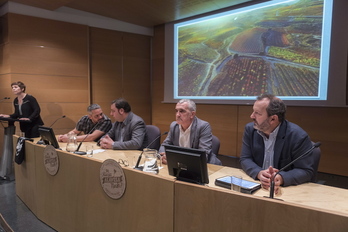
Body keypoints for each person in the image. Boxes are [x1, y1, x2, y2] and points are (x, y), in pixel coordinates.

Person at [240, 93, 316, 194]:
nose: (252, 116)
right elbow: (245, 158)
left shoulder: (298, 136)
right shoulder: (250, 130)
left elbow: (306, 171)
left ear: (273, 119)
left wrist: (281, 177)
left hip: (284, 191)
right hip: (256, 186)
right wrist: (259, 173)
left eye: (257, 113)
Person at [159, 99, 221, 165]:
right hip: (181, 165)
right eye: (176, 111)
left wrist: (175, 159)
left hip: (207, 166)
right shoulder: (174, 125)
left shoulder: (203, 126)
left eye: (182, 111)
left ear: (192, 114)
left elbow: (203, 155)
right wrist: (164, 156)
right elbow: (164, 145)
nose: (177, 115)